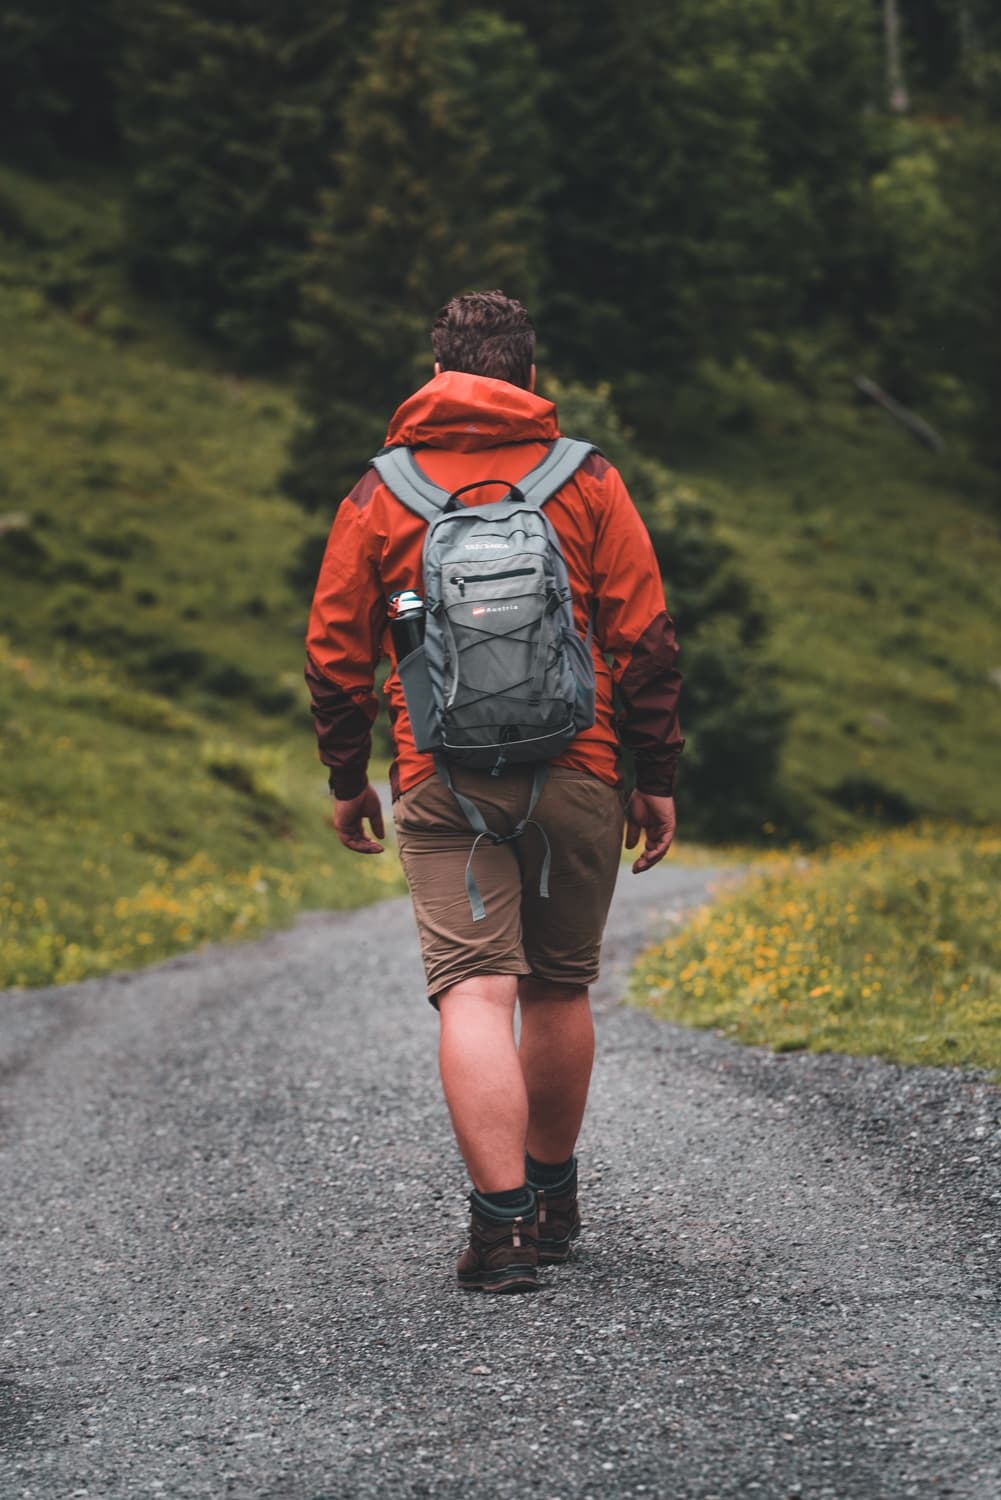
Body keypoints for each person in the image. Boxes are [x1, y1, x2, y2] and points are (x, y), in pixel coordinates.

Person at [306, 290, 683, 1293]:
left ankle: (501, 1231)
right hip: (580, 766)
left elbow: (336, 655)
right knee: (557, 988)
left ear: (438, 373)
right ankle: (555, 1201)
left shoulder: (382, 489)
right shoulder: (586, 478)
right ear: (526, 376)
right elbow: (644, 640)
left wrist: (348, 778)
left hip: (443, 778)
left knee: (474, 991)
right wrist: (656, 777)